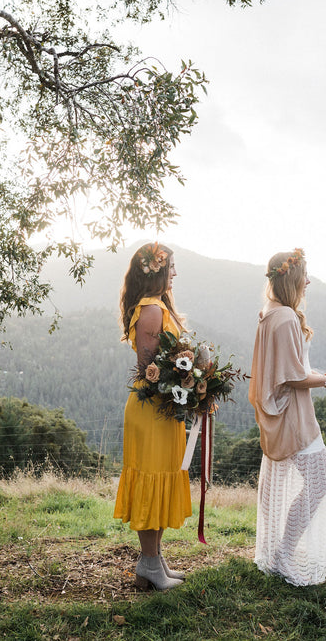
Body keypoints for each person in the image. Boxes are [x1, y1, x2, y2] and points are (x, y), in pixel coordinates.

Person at [248, 248, 326, 586]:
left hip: (287, 410)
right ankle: (283, 553)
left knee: (277, 480)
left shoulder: (271, 312)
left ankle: (273, 550)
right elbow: (294, 376)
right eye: (304, 276)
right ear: (291, 279)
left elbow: (291, 368)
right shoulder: (283, 317)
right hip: (296, 415)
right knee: (318, 482)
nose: (308, 281)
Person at [113, 242, 191, 590]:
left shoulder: (160, 307)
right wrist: (187, 383)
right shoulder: (150, 309)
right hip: (151, 410)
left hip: (165, 409)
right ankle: (147, 564)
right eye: (171, 266)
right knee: (151, 480)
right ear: (157, 269)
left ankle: (155, 560)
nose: (175, 272)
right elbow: (149, 368)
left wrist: (195, 383)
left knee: (162, 479)